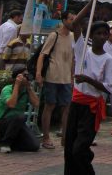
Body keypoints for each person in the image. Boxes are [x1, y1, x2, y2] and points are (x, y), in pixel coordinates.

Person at [64, 20, 112, 175]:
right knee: (69, 148)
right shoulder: (83, 50)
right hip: (76, 104)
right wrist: (92, 1)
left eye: (105, 34)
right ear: (92, 35)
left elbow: (109, 87)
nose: (102, 36)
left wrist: (88, 79)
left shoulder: (108, 60)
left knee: (79, 149)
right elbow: (75, 24)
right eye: (98, 33)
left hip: (91, 108)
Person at [37, 9, 77, 150]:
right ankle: (46, 137)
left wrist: (72, 76)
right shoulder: (54, 35)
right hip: (52, 76)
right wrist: (38, 74)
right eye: (71, 19)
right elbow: (43, 54)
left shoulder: (73, 36)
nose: (73, 21)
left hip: (66, 78)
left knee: (66, 108)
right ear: (64, 20)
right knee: (50, 106)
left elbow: (73, 58)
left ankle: (65, 137)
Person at [0, 67, 40, 153]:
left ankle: (11, 143)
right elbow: (12, 104)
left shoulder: (26, 90)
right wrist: (17, 85)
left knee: (34, 146)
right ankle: (5, 144)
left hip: (18, 123)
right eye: (24, 75)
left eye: (27, 75)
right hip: (2, 122)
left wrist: (28, 88)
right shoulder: (7, 89)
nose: (26, 77)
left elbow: (36, 103)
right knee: (20, 117)